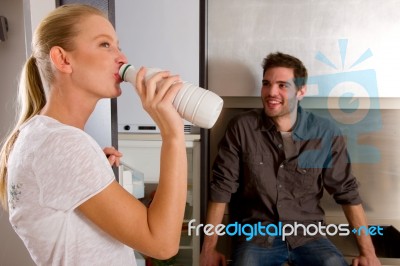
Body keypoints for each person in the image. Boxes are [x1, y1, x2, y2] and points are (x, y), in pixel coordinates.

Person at [0, 4, 187, 265]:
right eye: (105, 45)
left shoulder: (38, 135)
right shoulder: (61, 145)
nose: (122, 57)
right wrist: (173, 134)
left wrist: (90, 167)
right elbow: (163, 244)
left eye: (118, 45)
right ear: (63, 59)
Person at [200, 52, 381, 266]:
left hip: (308, 235)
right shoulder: (242, 127)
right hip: (258, 237)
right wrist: (208, 250)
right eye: (266, 84)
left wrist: (368, 253)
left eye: (282, 85)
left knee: (332, 262)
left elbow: (347, 193)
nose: (271, 92)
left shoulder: (324, 132)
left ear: (301, 91)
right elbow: (222, 189)